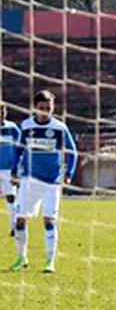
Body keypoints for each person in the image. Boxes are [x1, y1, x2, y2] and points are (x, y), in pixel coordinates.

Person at [10, 90, 77, 273]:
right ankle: (21, 258)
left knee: (49, 220)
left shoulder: (60, 128)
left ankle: (50, 261)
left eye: (48, 108)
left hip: (51, 183)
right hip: (29, 181)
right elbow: (18, 151)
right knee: (20, 221)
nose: (45, 111)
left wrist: (69, 173)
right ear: (35, 108)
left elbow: (72, 152)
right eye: (41, 108)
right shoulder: (26, 126)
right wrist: (14, 170)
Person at [0, 103, 21, 238]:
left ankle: (14, 227)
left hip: (8, 169)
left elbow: (20, 146)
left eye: (3, 111)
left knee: (11, 197)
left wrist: (17, 166)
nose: (2, 113)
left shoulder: (12, 128)